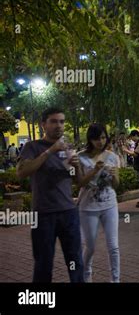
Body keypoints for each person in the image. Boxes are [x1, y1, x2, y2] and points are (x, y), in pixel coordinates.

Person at [16, 107, 84, 282]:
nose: (59, 126)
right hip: (44, 214)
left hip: (69, 212)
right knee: (43, 263)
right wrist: (50, 151)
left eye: (62, 121)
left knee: (75, 261)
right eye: (53, 121)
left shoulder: (68, 148)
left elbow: (80, 182)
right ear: (43, 124)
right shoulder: (33, 147)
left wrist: (76, 166)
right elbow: (22, 172)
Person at [76, 124, 120, 283]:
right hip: (88, 207)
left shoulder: (112, 156)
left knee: (113, 247)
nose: (101, 141)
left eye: (103, 137)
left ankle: (115, 280)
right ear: (90, 139)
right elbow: (80, 183)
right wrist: (94, 170)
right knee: (91, 246)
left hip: (110, 205)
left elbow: (116, 185)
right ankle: (86, 273)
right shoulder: (80, 157)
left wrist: (115, 176)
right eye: (97, 138)